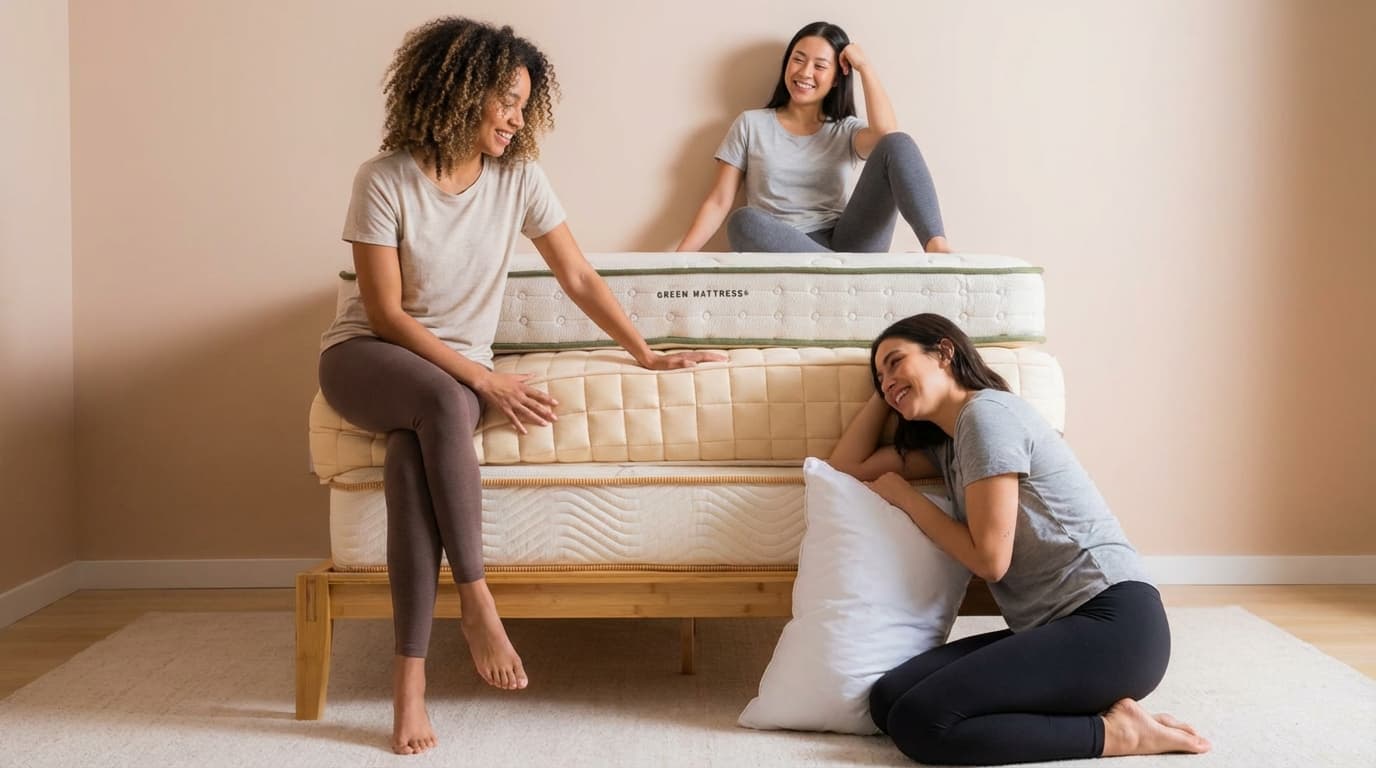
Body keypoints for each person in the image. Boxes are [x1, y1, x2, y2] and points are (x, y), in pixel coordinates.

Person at [317, 17, 722, 756]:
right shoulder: (385, 179)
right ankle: (476, 600)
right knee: (440, 400)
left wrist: (646, 353)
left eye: (525, 104)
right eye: (506, 99)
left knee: (415, 455)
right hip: (368, 357)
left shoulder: (520, 181)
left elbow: (578, 276)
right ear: (459, 91)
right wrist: (483, 378)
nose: (517, 118)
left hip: (448, 379)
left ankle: (408, 689)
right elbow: (383, 311)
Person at [827, 313, 1210, 765]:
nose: (888, 380)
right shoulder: (948, 445)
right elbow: (846, 468)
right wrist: (886, 390)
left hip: (1114, 625)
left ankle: (1116, 733)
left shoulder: (986, 416)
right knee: (890, 698)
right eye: (880, 375)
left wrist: (908, 499)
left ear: (945, 352)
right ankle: (1090, 706)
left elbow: (990, 561)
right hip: (1060, 628)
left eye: (896, 361)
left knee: (921, 723)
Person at [676, 21, 949, 254]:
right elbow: (719, 201)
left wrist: (864, 66)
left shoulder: (845, 129)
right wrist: (677, 260)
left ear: (835, 79)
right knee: (742, 221)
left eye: (820, 65)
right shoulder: (751, 124)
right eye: (798, 59)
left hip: (848, 243)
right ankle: (839, 272)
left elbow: (887, 135)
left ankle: (936, 246)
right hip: (780, 243)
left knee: (897, 142)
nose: (805, 72)